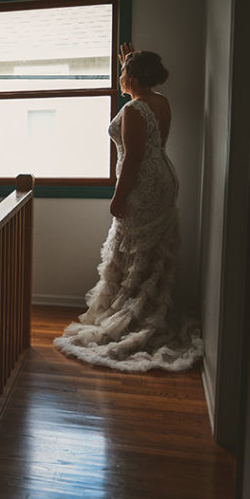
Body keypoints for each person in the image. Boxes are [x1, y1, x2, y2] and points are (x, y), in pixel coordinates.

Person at [54, 43, 203, 372]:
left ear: (133, 77)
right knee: (149, 252)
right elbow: (149, 144)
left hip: (142, 186)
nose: (119, 76)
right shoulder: (159, 101)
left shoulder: (135, 110)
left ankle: (133, 317)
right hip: (164, 179)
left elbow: (134, 158)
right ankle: (149, 308)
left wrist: (119, 197)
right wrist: (130, 61)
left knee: (134, 247)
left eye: (123, 72)